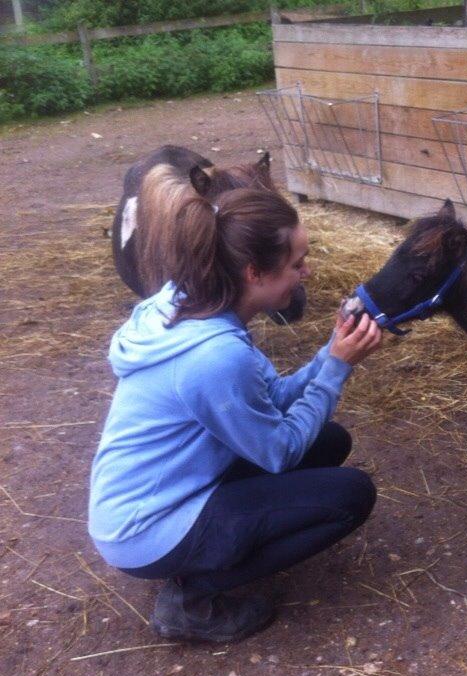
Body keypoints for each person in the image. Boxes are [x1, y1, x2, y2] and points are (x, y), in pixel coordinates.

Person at [88, 187, 382, 643]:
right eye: (296, 263)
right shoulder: (215, 356)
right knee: (351, 496)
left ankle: (208, 555)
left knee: (329, 440)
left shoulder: (194, 304)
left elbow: (272, 399)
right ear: (254, 272)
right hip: (144, 529)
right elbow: (279, 452)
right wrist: (337, 368)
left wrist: (331, 350)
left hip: (166, 488)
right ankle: (192, 597)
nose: (307, 271)